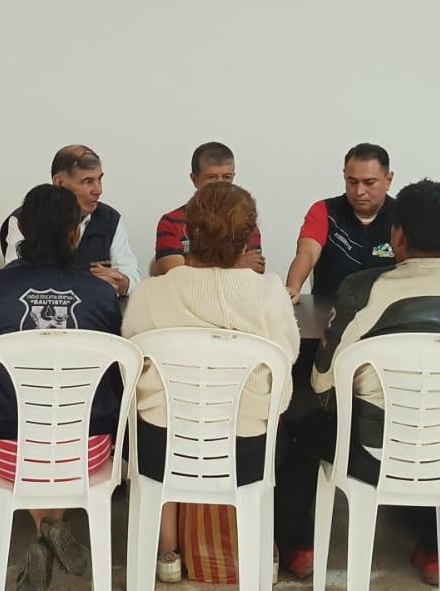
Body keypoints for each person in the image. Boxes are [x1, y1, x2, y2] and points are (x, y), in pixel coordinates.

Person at [276, 179, 440, 583]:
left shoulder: (363, 290)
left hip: (370, 452)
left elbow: (324, 382)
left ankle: (295, 545)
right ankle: (434, 547)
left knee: (297, 423)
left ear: (398, 235)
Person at [124, 182, 299, 583]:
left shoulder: (151, 293)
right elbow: (285, 362)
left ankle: (166, 550)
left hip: (162, 449)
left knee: (152, 425)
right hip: (246, 452)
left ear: (187, 231)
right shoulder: (269, 293)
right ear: (248, 236)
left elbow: (131, 368)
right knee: (287, 433)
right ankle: (263, 548)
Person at [0, 184, 125, 591]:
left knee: (33, 436)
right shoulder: (101, 294)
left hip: (4, 450)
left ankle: (46, 532)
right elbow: (115, 369)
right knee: (60, 431)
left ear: (20, 229)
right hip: (83, 450)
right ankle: (51, 529)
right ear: (76, 233)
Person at [0, 145, 139, 296]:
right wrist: (87, 282)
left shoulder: (110, 219)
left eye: (99, 179)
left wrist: (123, 283)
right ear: (59, 183)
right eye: (87, 181)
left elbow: (132, 277)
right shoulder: (25, 218)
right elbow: (15, 278)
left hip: (97, 307)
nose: (98, 190)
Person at [284, 143, 398, 301]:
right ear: (344, 176)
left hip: (388, 311)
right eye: (352, 182)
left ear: (388, 180)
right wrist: (292, 289)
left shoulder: (403, 216)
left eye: (369, 182)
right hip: (328, 309)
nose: (359, 191)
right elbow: (307, 253)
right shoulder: (323, 211)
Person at [150, 142, 264, 277]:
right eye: (212, 177)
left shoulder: (244, 219)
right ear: (194, 179)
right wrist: (237, 265)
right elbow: (172, 270)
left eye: (227, 177)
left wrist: (190, 263)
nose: (220, 184)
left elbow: (256, 270)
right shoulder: (171, 222)